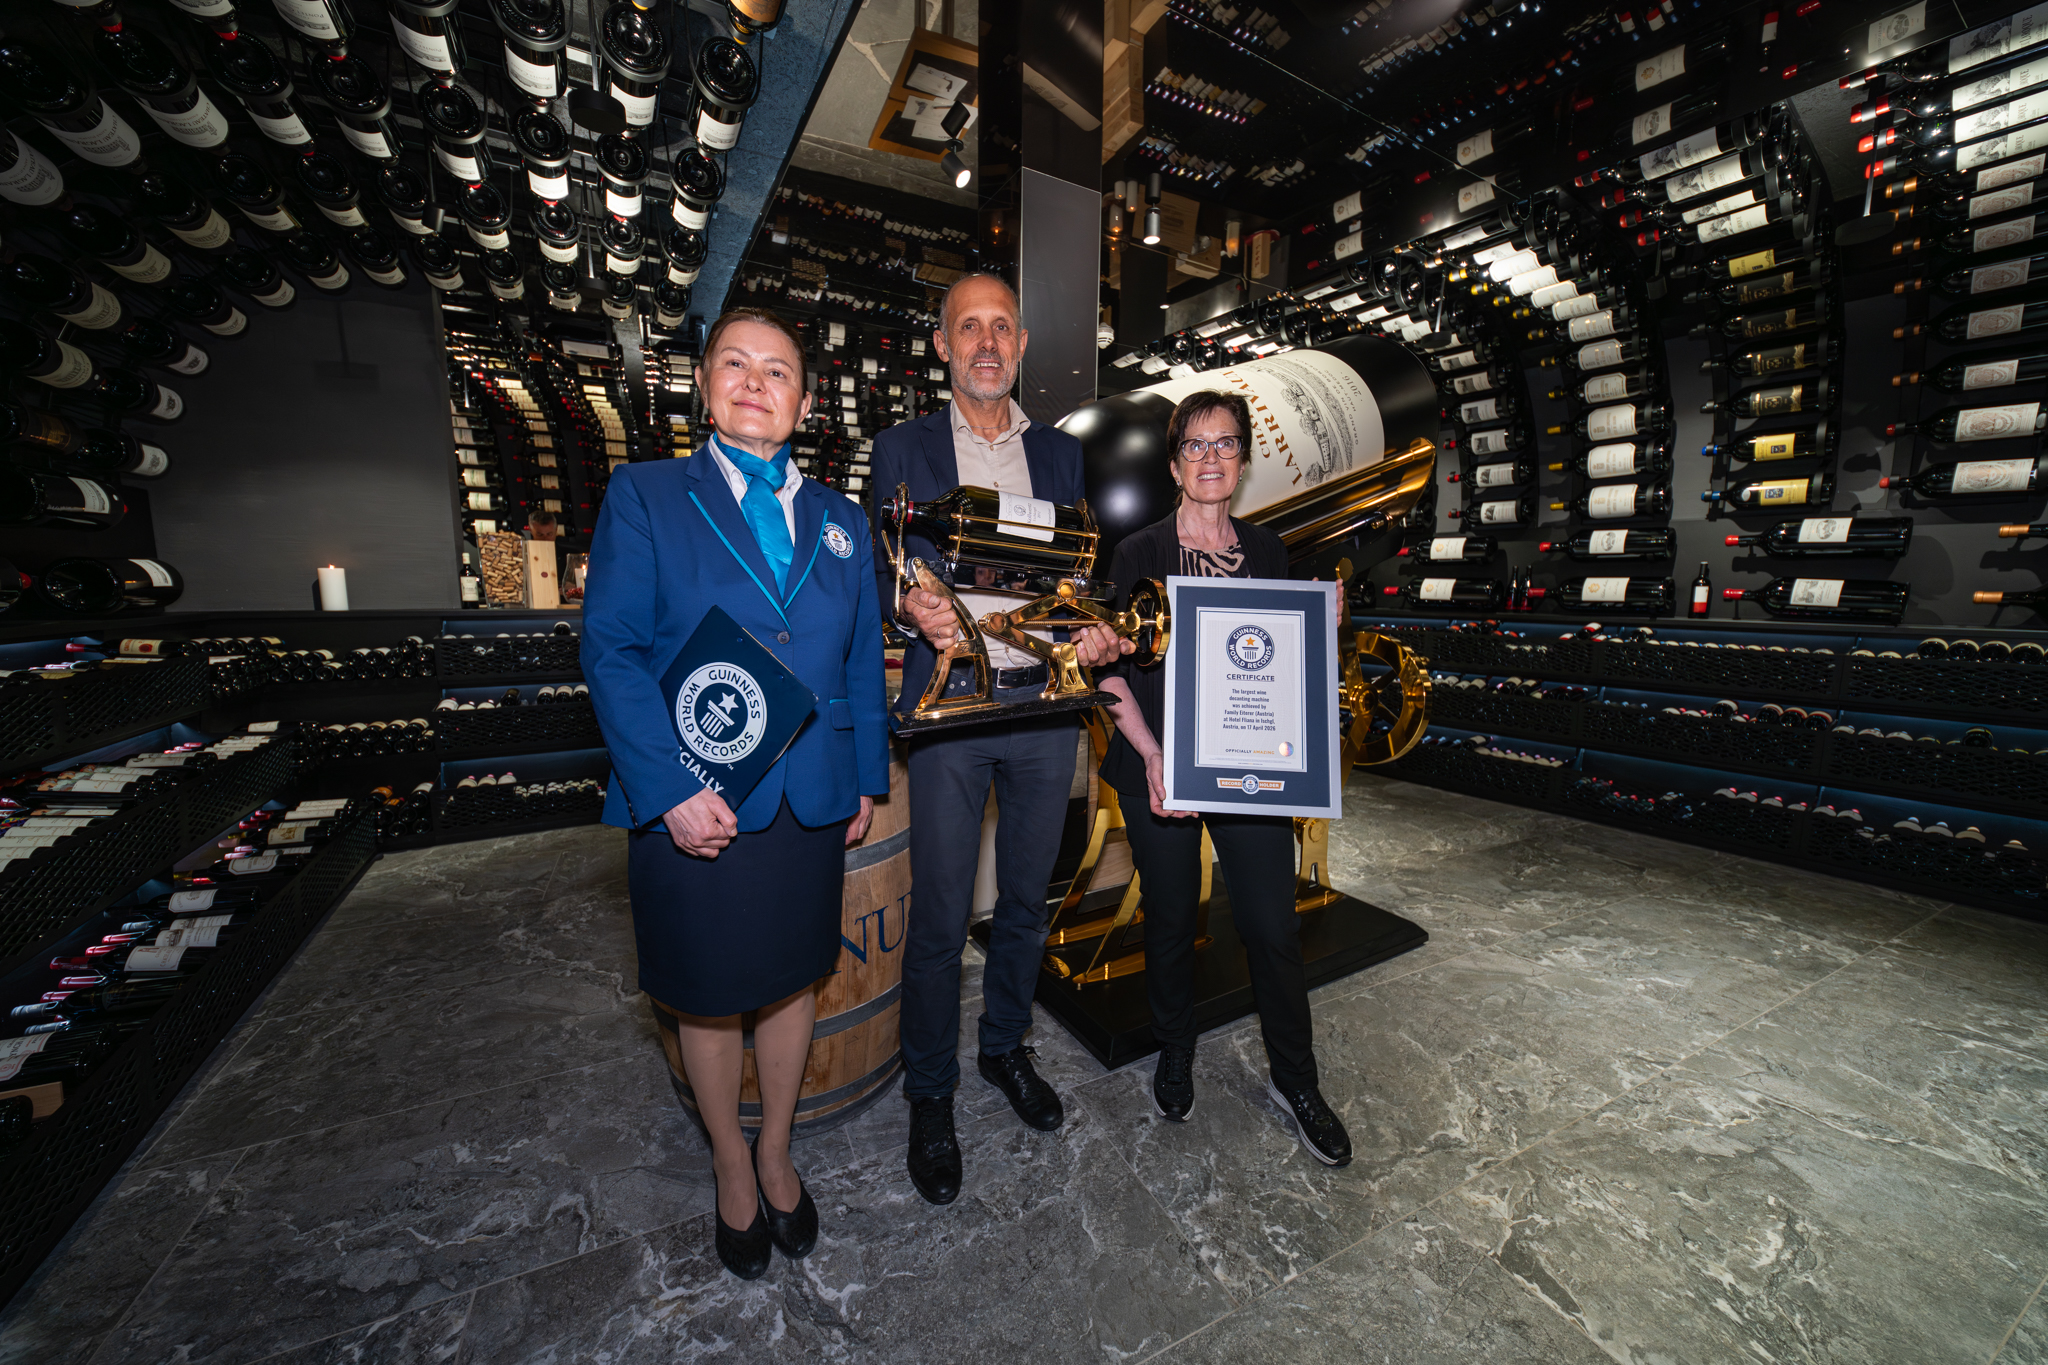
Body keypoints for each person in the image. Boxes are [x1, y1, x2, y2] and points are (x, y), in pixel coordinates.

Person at [582, 307, 890, 1278]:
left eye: (778, 370)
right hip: (698, 797)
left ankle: (776, 1148)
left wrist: (865, 777)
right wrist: (667, 786)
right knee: (709, 996)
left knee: (793, 978)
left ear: (805, 402)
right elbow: (612, 650)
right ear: (705, 386)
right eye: (736, 364)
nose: (756, 382)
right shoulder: (645, 494)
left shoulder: (843, 520)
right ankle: (729, 1160)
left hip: (809, 793)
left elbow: (860, 658)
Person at [867, 273, 1127, 1205]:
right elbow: (879, 572)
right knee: (940, 918)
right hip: (952, 709)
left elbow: (1075, 577)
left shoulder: (1059, 454)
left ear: (1019, 345)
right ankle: (931, 1090)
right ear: (943, 344)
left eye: (1002, 327)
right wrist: (908, 605)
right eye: (968, 327)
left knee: (1025, 900)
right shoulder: (901, 448)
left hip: (1043, 706)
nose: (987, 342)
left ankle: (1005, 1047)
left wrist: (1094, 631)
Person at [1095, 389, 1354, 1167]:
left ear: (1242, 460)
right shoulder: (1137, 553)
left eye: (1226, 443)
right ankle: (1176, 1048)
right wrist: (1151, 753)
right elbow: (1107, 673)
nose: (1211, 457)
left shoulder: (1270, 551)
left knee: (1272, 924)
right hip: (1158, 765)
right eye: (1195, 445)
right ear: (1175, 465)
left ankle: (1296, 1079)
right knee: (1173, 917)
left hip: (1248, 773)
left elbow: (1277, 669)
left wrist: (1322, 629)